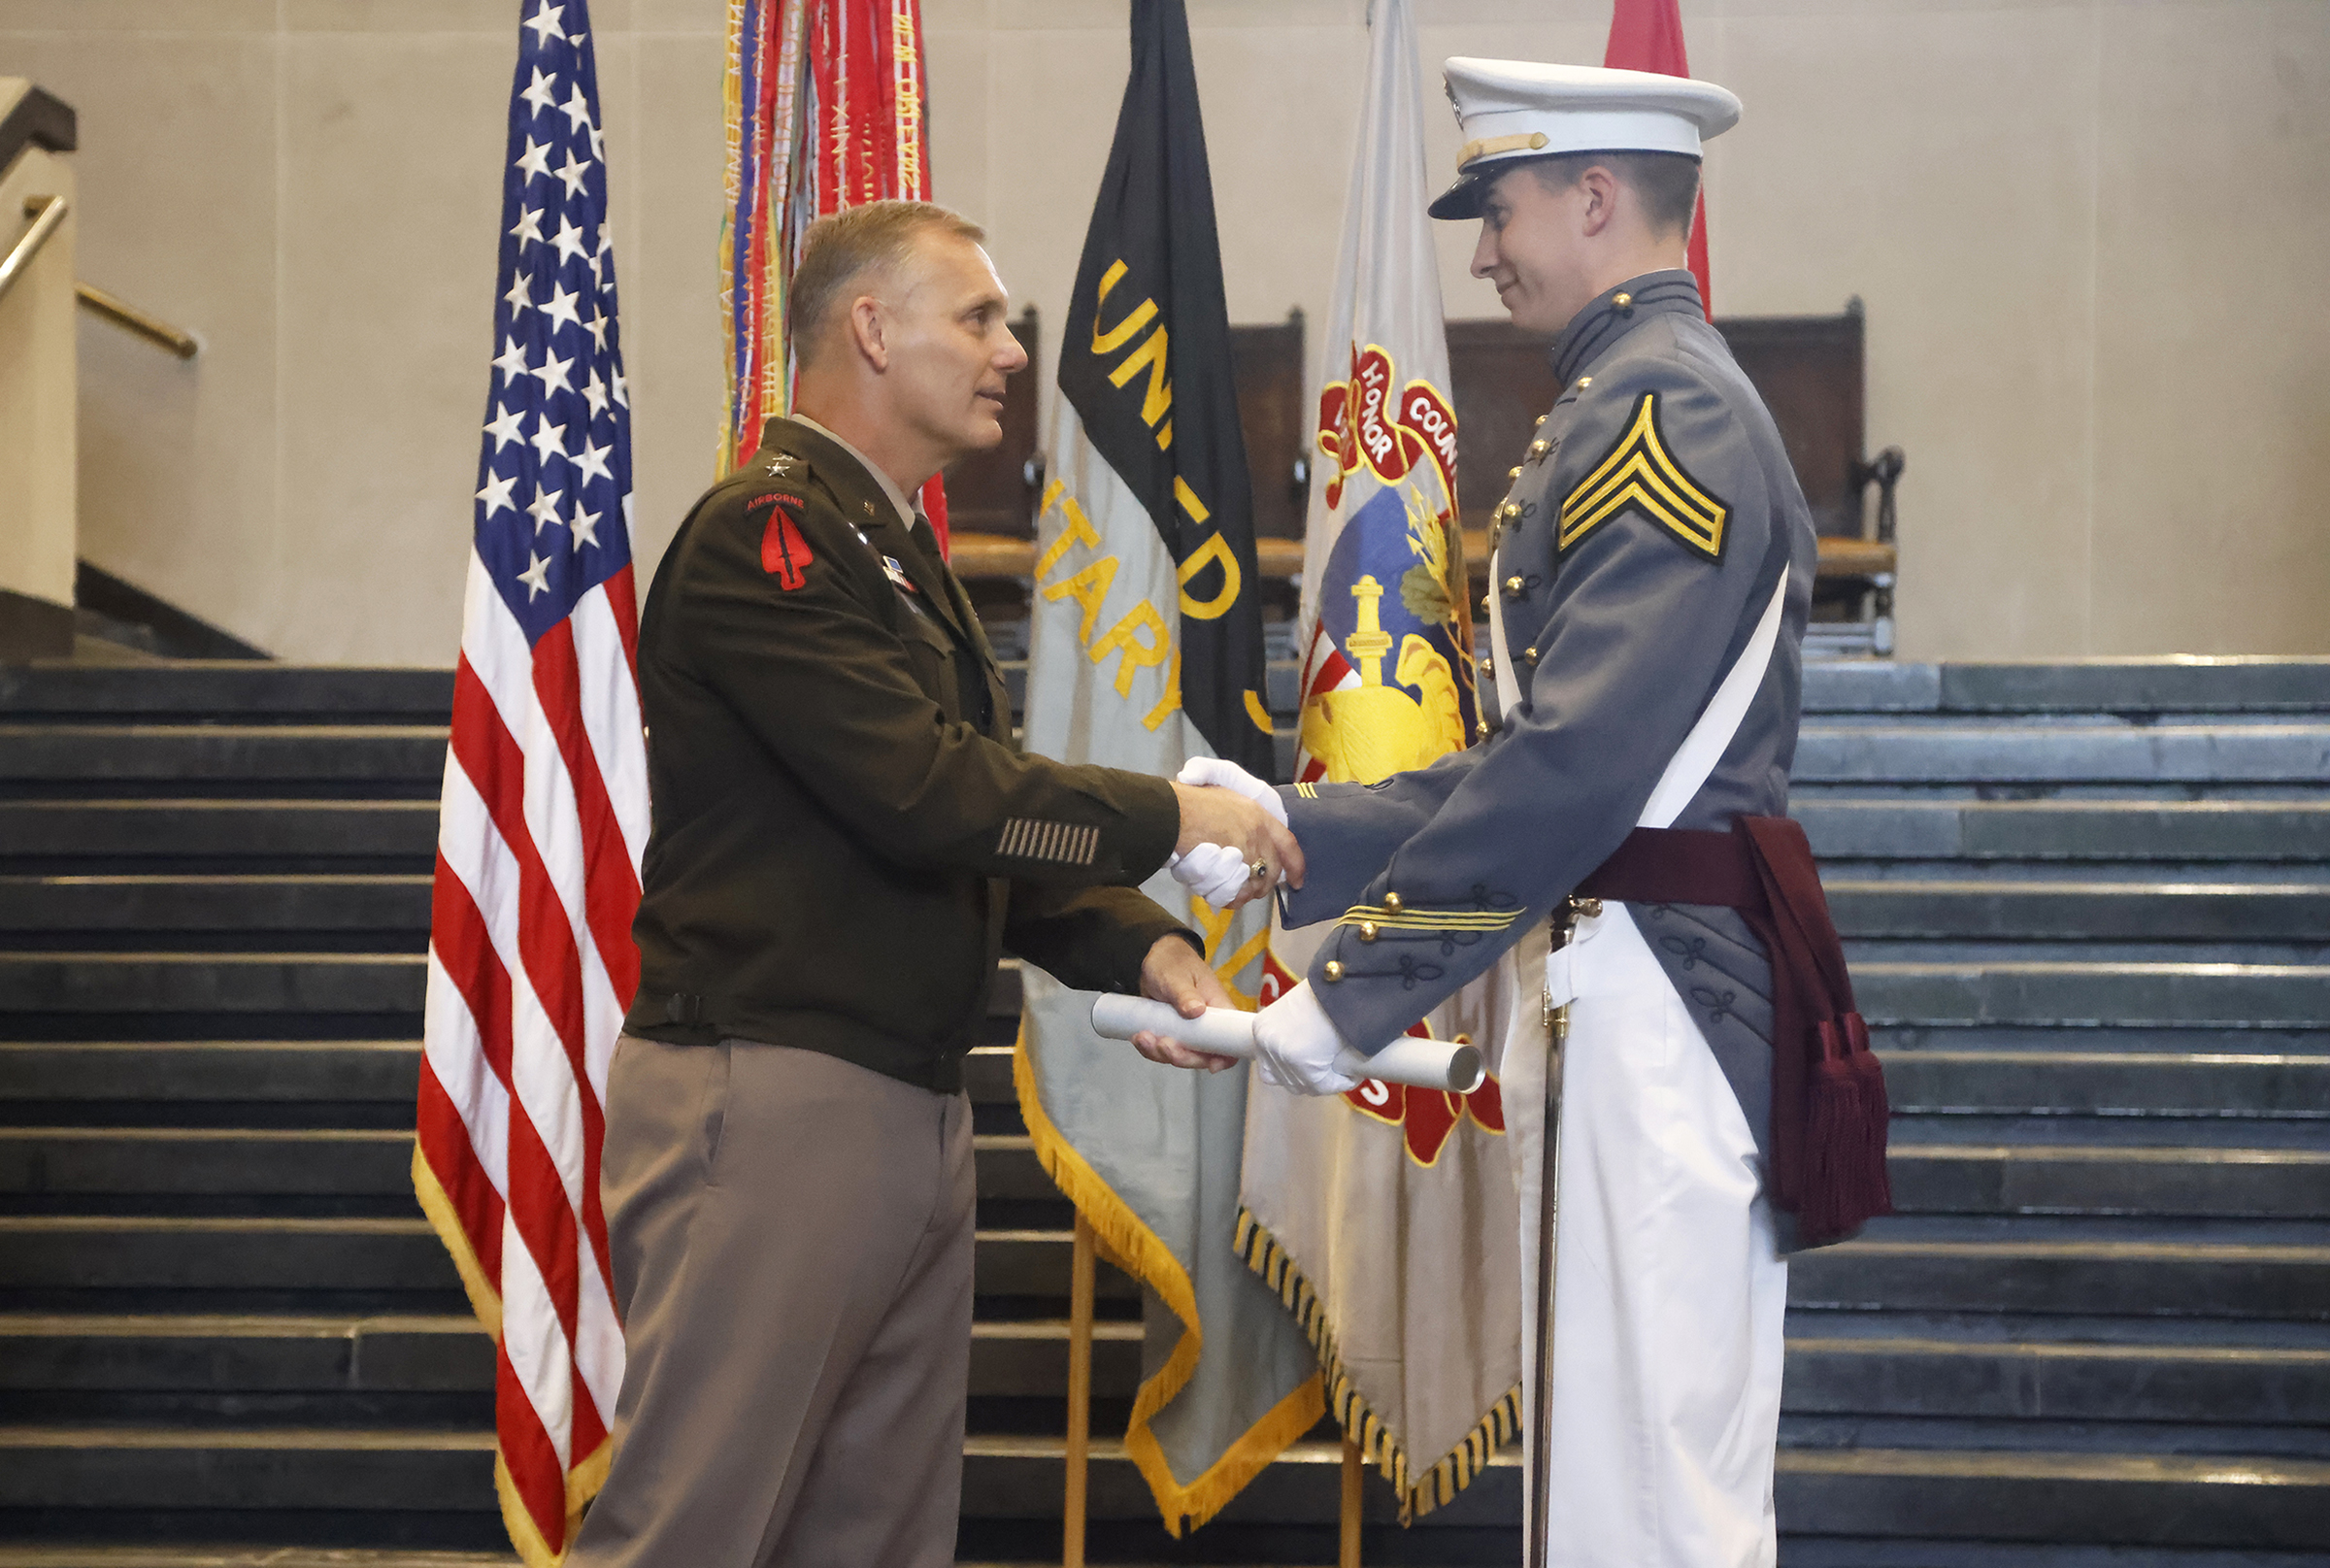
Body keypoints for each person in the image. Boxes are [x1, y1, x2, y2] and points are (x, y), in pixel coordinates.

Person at [1173, 58, 1870, 1568]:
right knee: (1608, 1477)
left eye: (1500, 208)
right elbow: (1539, 757)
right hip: (1625, 977)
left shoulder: (1661, 412)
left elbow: (1579, 766)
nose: (1484, 250)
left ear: (1597, 198)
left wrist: (1353, 987)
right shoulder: (1628, 399)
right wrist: (1300, 825)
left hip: (1659, 1000)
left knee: (1646, 1497)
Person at [568, 199, 1298, 1568]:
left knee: (875, 1537)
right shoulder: (764, 540)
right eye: (977, 318)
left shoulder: (893, 552)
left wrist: (1141, 952)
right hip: (778, 1091)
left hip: (900, 1097)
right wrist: (1175, 811)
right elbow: (927, 794)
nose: (1011, 353)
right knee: (694, 1530)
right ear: (871, 329)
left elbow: (963, 831)